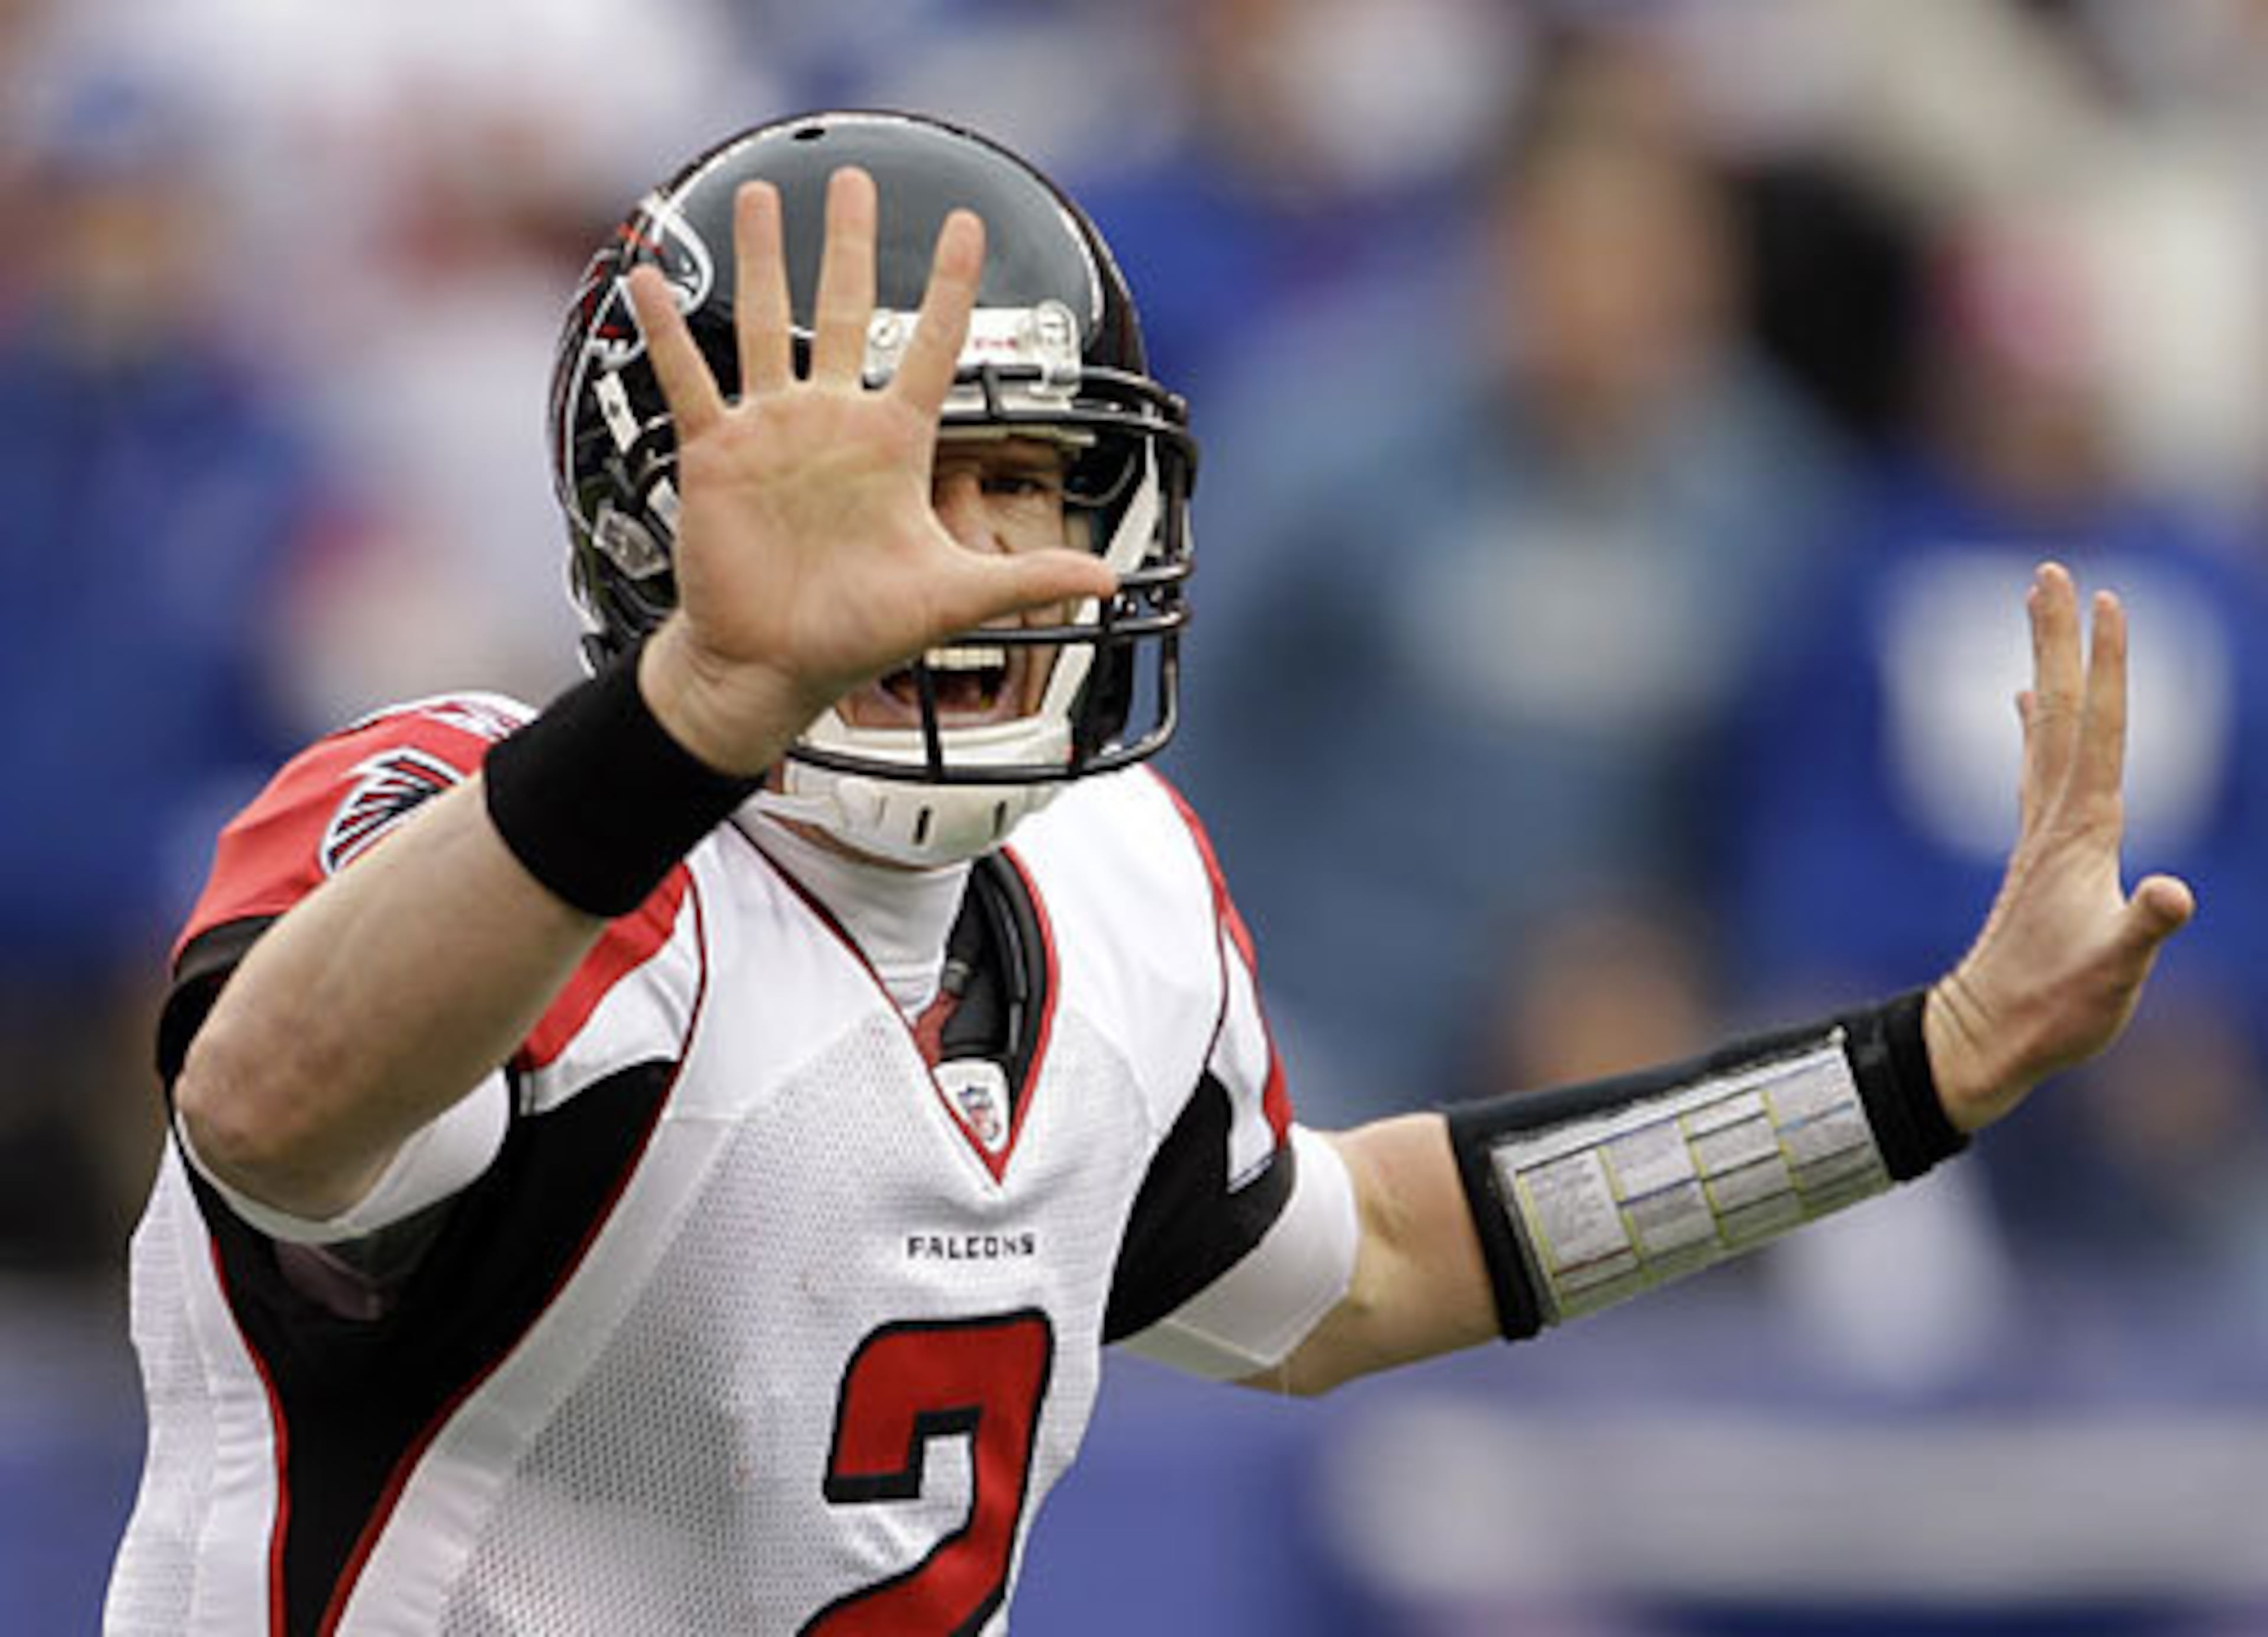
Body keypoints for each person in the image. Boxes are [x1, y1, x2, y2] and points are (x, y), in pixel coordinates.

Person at [104, 111, 2191, 1636]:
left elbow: (1353, 1267)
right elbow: (274, 1111)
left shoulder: (1114, 888)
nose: (977, 554)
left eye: (1028, 477)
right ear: (676, 516)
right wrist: (693, 711)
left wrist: (1916, 1073)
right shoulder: (486, 816)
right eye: (903, 480)